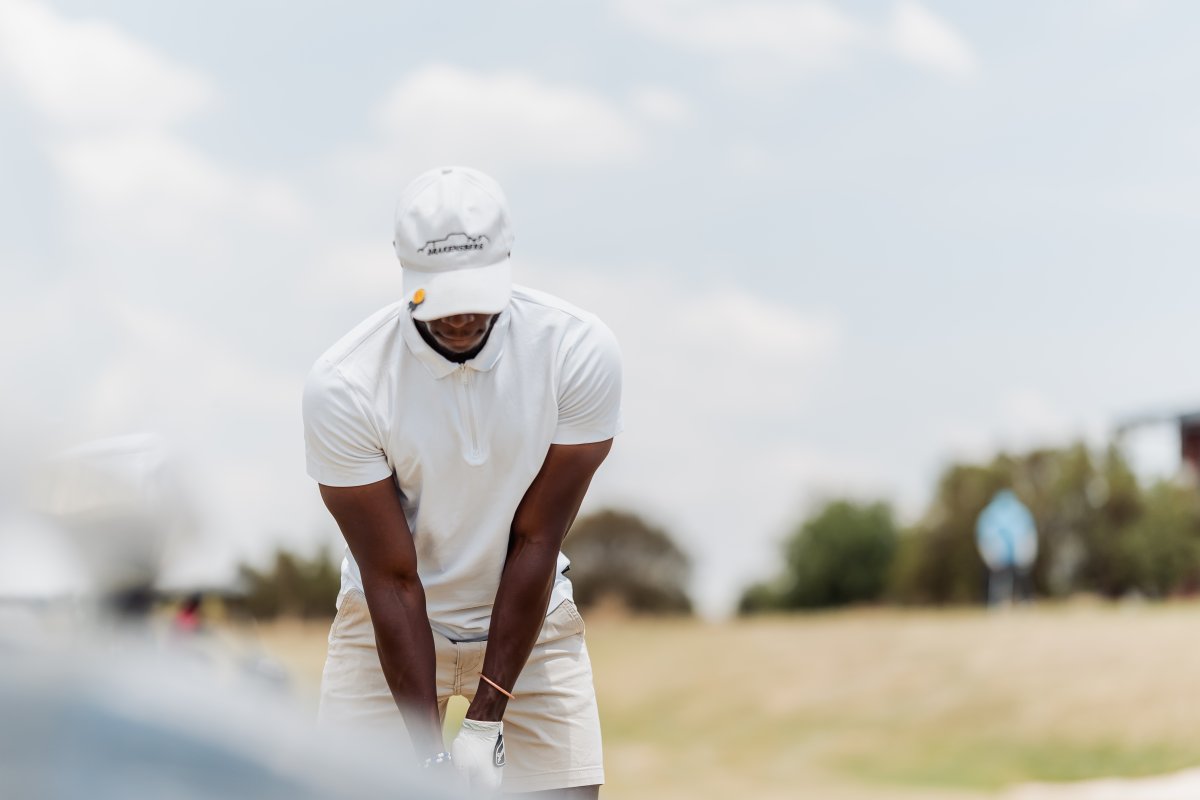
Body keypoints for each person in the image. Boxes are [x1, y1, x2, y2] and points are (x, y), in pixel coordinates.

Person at [303, 166, 622, 798]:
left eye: (476, 293)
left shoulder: (577, 350)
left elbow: (536, 539)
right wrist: (429, 761)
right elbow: (392, 580)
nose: (461, 317)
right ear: (406, 272)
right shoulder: (345, 383)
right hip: (384, 625)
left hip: (530, 618)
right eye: (441, 298)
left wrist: (485, 718)